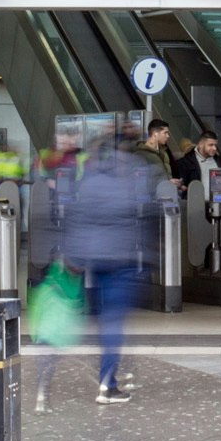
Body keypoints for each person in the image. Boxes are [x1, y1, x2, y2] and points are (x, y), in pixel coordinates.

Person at [64, 137, 158, 403]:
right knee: (115, 321)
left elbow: (78, 218)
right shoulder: (131, 179)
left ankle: (116, 368)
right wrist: (150, 255)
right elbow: (143, 217)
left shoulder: (91, 181)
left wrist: (74, 257)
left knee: (105, 320)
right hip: (122, 261)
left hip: (95, 261)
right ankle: (108, 384)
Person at [135, 118, 177, 182]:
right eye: (165, 133)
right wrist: (168, 182)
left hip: (167, 190)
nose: (168, 136)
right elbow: (142, 181)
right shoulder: (141, 154)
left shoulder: (164, 152)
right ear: (155, 133)